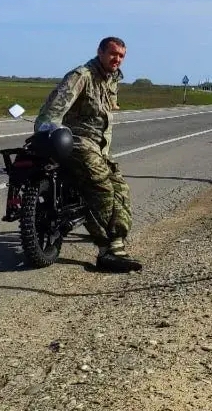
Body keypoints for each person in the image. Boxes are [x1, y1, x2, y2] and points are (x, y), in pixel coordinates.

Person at [35, 36, 142, 273]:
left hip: (98, 148)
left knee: (121, 189)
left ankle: (117, 242)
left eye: (121, 56)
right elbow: (51, 112)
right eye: (113, 54)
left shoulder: (111, 80)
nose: (117, 59)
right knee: (100, 185)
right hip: (76, 142)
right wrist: (47, 132)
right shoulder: (81, 76)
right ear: (100, 52)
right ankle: (106, 250)